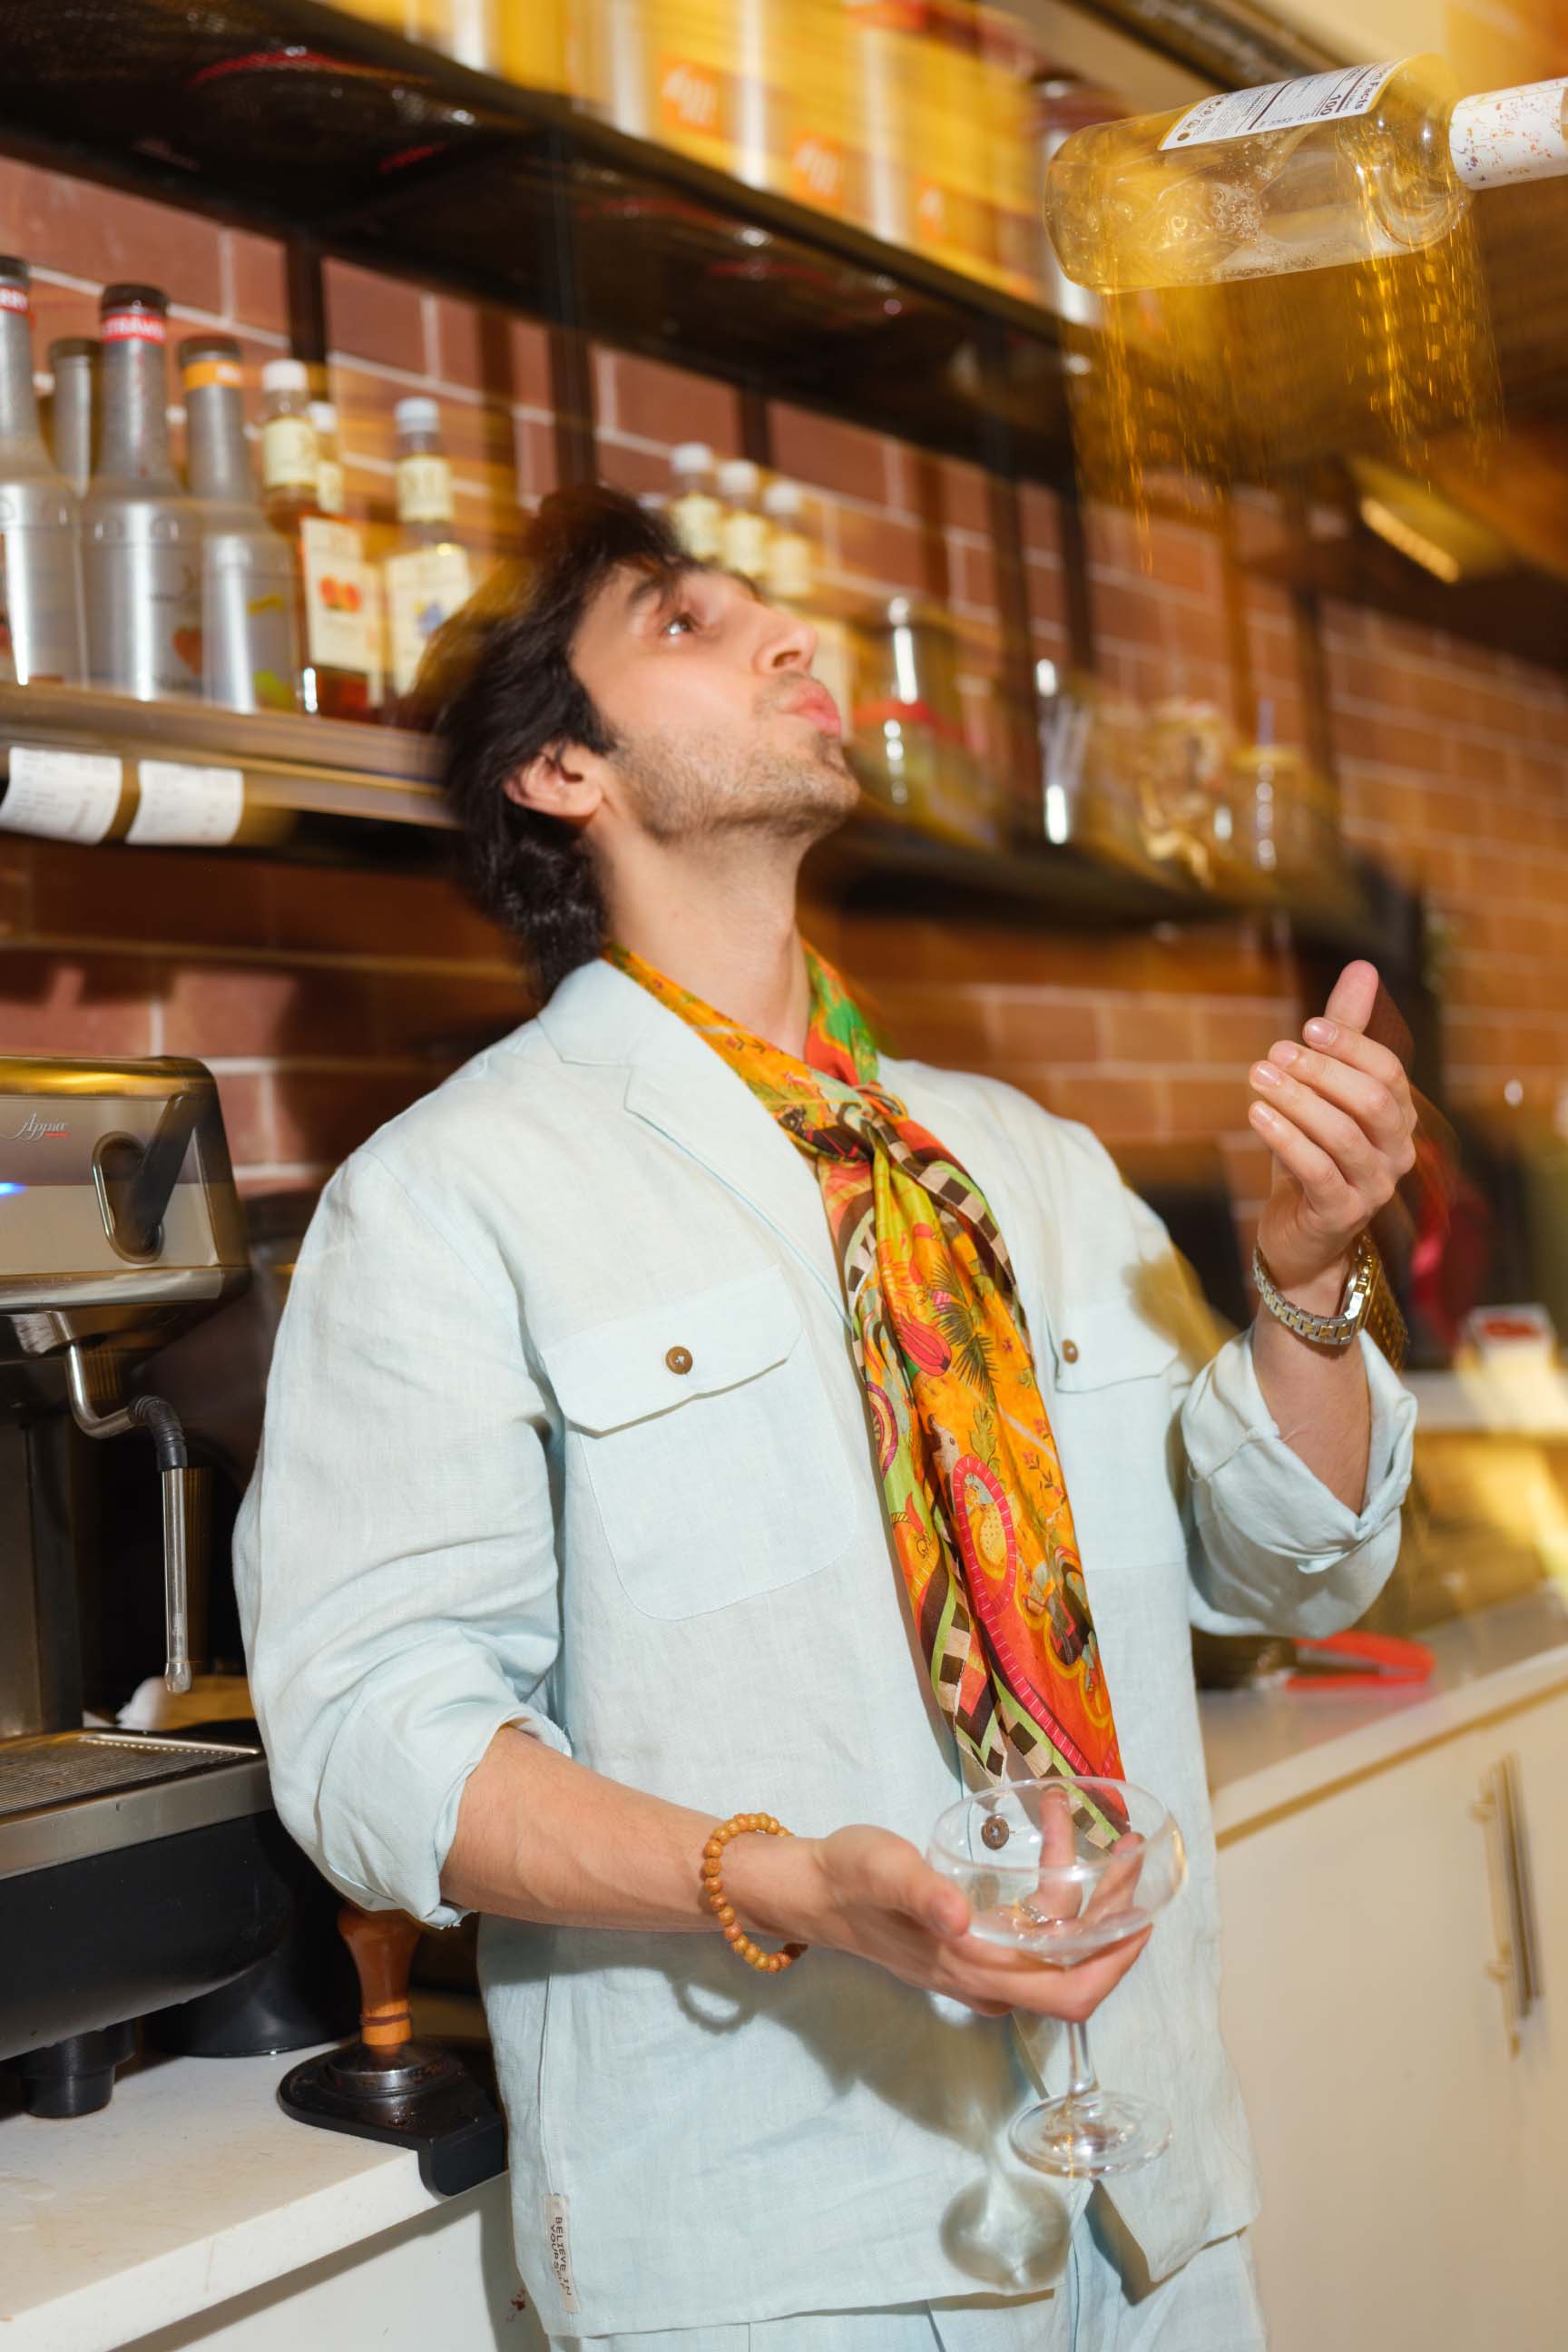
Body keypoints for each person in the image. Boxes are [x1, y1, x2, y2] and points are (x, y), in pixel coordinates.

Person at [235, 485, 1417, 2349]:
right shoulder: (450, 1197)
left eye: (778, 609)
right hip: (786, 2251)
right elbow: (380, 1750)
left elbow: (1287, 1558)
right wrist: (773, 1877)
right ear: (563, 768)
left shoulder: (1025, 1159)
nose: (797, 639)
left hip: (1156, 2202)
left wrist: (1306, 1278)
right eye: (692, 625)